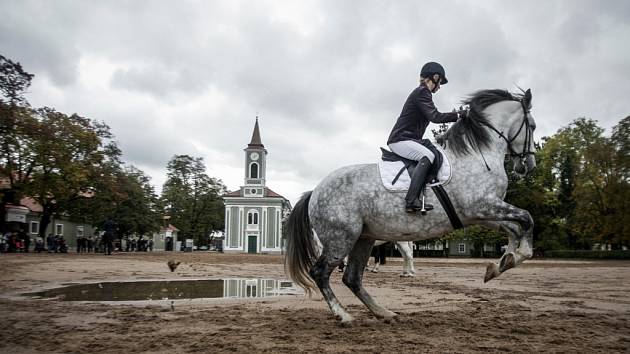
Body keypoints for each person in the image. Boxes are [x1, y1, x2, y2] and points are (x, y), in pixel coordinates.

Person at [387, 61, 466, 213]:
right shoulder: (422, 92)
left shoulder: (423, 93)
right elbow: (435, 117)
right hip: (400, 139)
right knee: (428, 155)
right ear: (435, 77)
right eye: (440, 82)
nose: (440, 86)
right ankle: (410, 201)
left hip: (409, 139)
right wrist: (458, 115)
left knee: (433, 152)